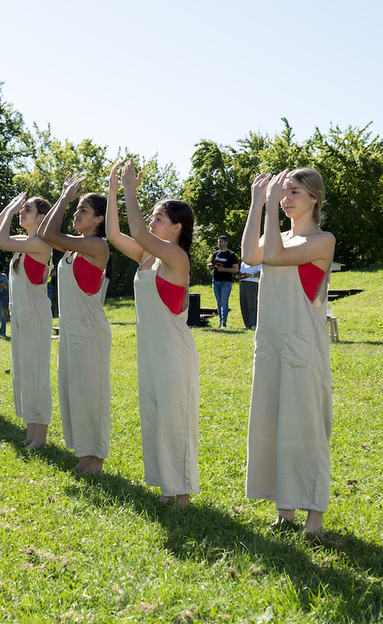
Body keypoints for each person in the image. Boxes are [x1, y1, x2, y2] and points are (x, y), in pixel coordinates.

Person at [241, 167, 336, 536]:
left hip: (303, 348)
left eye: (294, 191)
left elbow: (274, 256)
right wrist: (256, 201)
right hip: (273, 346)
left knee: (306, 429)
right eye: (284, 192)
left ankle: (314, 517)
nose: (287, 198)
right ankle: (285, 512)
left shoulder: (321, 240)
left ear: (314, 198)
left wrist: (267, 207)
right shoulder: (278, 236)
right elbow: (251, 253)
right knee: (274, 424)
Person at [106, 159, 199, 506]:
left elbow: (140, 233)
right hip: (149, 350)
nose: (151, 222)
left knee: (175, 420)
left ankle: (183, 493)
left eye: (159, 217)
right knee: (155, 417)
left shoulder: (176, 257)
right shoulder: (147, 256)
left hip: (174, 354)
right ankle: (167, 486)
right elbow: (115, 235)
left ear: (177, 228)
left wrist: (132, 189)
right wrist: (114, 190)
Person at [38, 174, 112, 474]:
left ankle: (95, 460)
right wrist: (65, 199)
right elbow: (47, 231)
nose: (77, 214)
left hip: (90, 331)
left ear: (99, 219)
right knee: (74, 393)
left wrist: (65, 198)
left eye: (83, 210)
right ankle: (84, 455)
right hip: (71, 330)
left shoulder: (97, 246)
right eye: (77, 208)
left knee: (90, 393)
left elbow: (46, 233)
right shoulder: (72, 247)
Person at [0, 192, 53, 448]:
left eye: (28, 210)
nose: (22, 212)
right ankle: (31, 432)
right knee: (24, 374)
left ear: (42, 217)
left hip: (35, 317)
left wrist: (11, 210)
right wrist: (8, 209)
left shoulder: (40, 244)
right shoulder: (25, 242)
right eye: (22, 209)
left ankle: (40, 437)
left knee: (37, 375)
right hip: (22, 318)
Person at [208, 235, 238, 328]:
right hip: (216, 281)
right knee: (219, 303)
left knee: (224, 302)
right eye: (218, 242)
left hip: (226, 282)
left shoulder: (231, 255)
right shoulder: (215, 254)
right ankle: (221, 322)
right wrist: (211, 266)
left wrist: (224, 269)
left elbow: (236, 269)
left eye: (220, 242)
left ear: (226, 242)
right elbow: (210, 267)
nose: (219, 244)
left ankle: (224, 322)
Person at [237, 261, 262, 329]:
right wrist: (239, 276)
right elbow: (241, 272)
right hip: (243, 283)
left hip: (252, 283)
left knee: (252, 303)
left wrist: (250, 275)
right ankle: (247, 324)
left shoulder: (257, 261)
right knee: (243, 304)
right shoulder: (243, 262)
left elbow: (260, 273)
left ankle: (254, 323)